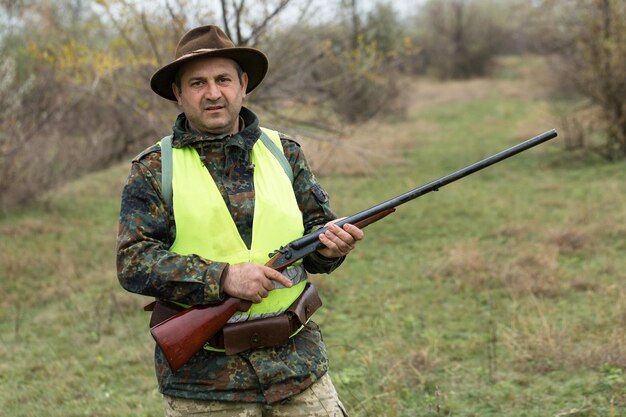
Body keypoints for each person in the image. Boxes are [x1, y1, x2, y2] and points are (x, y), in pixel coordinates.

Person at [116, 24, 364, 417]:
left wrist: (334, 248)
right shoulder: (153, 169)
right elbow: (133, 263)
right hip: (206, 388)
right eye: (197, 83)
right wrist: (223, 277)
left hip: (297, 371)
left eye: (223, 79)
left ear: (243, 85)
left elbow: (318, 244)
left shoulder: (285, 152)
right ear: (178, 94)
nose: (213, 93)